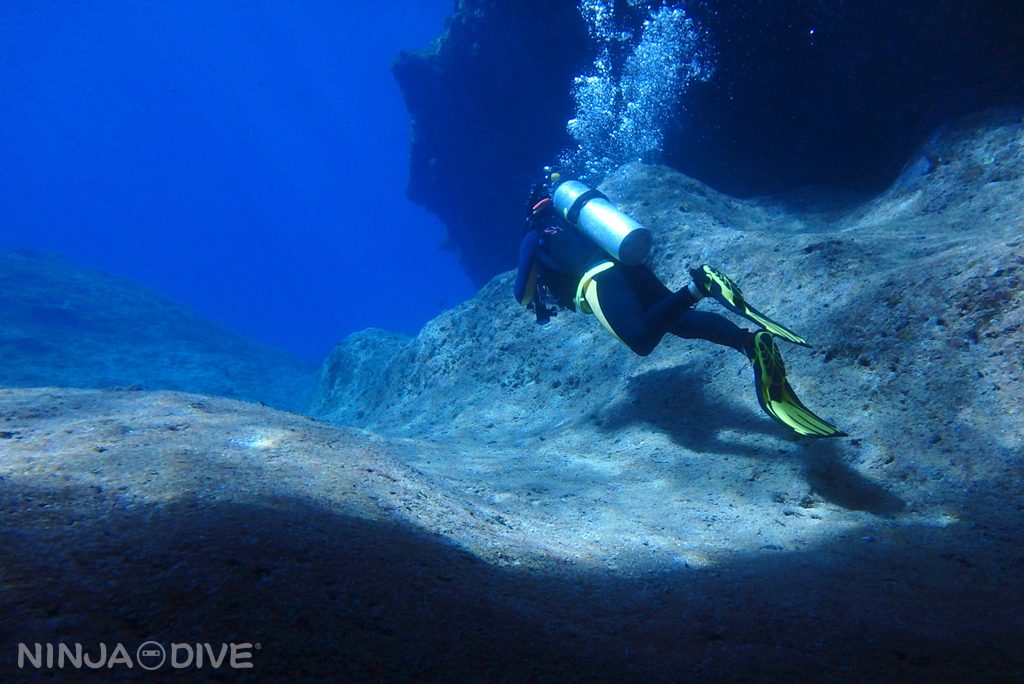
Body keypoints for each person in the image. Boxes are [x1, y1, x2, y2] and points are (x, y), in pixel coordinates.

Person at [513, 178, 844, 437]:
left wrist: (536, 288)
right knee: (678, 320)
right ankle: (747, 342)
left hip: (596, 280)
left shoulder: (534, 232)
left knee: (640, 339)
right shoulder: (578, 220)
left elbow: (522, 294)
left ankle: (700, 286)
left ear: (530, 211)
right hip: (628, 267)